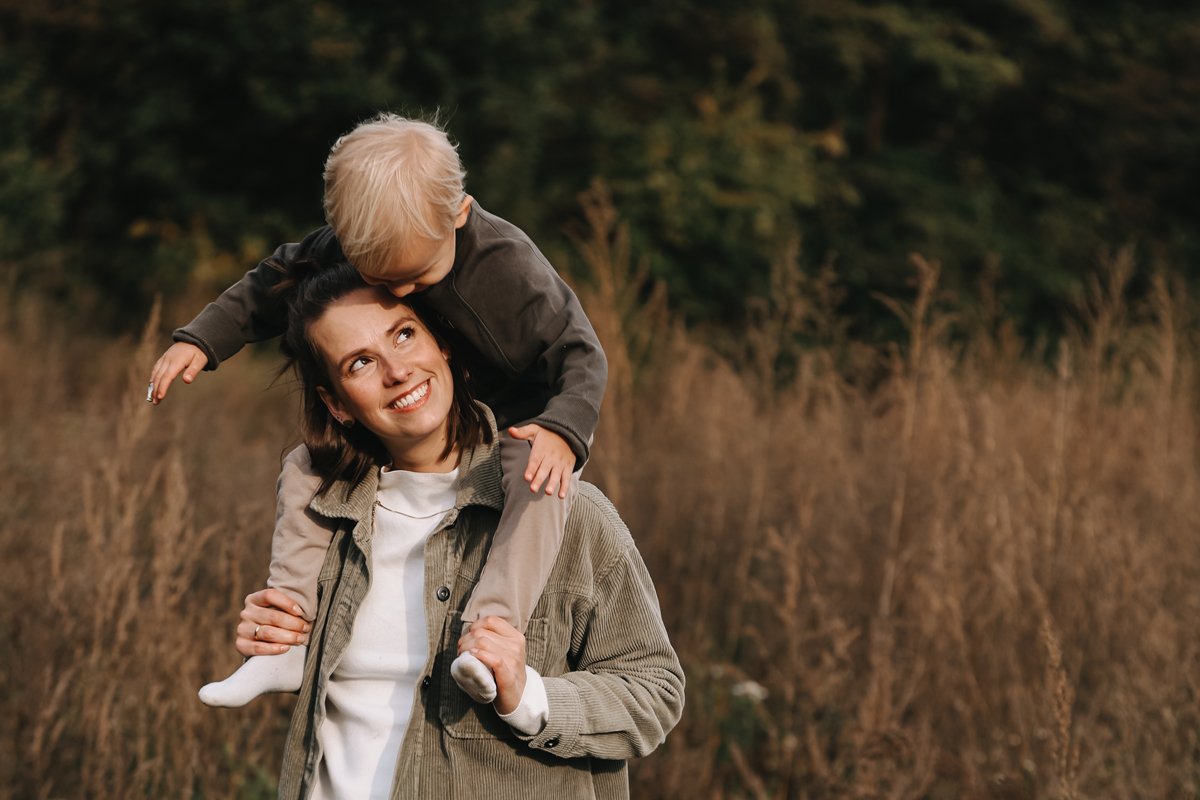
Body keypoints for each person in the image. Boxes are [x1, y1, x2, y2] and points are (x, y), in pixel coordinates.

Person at [149, 113, 608, 706]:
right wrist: (202, 339)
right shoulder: (356, 239)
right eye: (379, 278)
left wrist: (563, 430)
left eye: (416, 279)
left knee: (542, 481)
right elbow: (269, 283)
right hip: (423, 423)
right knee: (306, 467)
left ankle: (488, 638)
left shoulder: (508, 267)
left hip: (517, 423)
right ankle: (283, 644)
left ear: (460, 213)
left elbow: (580, 351)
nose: (401, 295)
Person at [236, 262, 682, 798]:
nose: (397, 371)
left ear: (442, 342)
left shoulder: (562, 507)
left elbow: (654, 694)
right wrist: (272, 637)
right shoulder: (323, 521)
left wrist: (528, 696)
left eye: (404, 334)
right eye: (359, 363)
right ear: (336, 403)